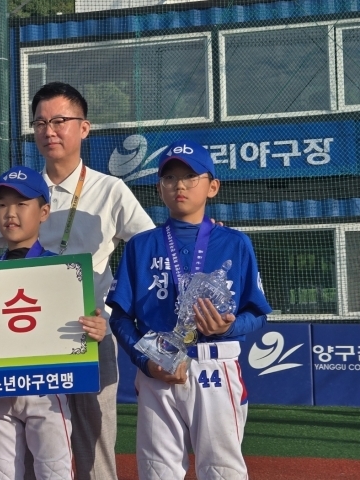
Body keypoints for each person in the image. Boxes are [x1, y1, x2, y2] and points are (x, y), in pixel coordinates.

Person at [0, 82, 156, 480]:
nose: (49, 130)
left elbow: (149, 250)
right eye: (40, 123)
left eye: (59, 121)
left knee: (95, 447)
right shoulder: (23, 191)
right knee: (26, 454)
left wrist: (114, 311)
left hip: (89, 333)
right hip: (26, 337)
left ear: (84, 128)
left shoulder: (111, 190)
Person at [106, 140, 272, 480]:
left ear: (212, 186)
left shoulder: (235, 242)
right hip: (158, 367)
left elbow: (257, 314)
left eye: (190, 176)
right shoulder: (142, 245)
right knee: (156, 471)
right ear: (159, 188)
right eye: (169, 177)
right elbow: (121, 316)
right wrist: (144, 362)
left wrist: (227, 328)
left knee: (222, 469)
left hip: (214, 363)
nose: (179, 185)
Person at [0, 165, 105, 480]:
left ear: (44, 211)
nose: (10, 212)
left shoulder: (63, 270)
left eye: (22, 203)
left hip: (47, 392)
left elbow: (86, 325)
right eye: (2, 204)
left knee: (55, 473)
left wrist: (96, 330)